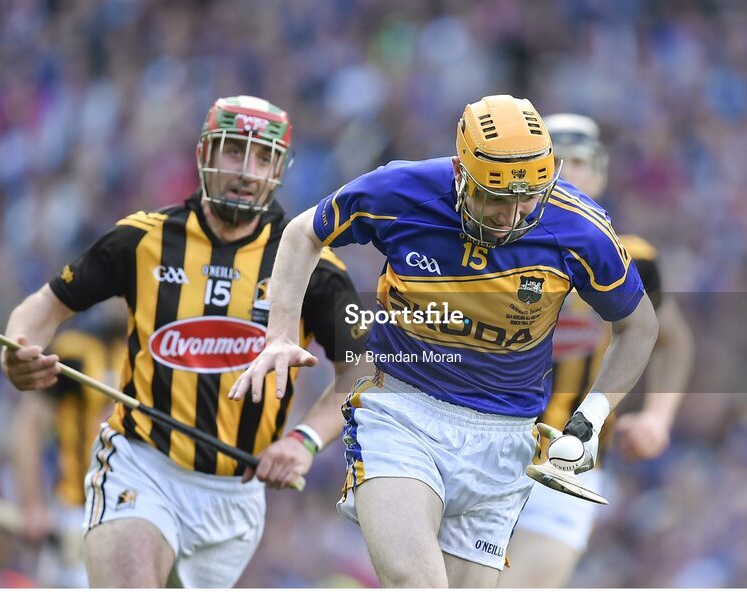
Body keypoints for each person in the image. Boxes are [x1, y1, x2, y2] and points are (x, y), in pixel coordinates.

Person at [229, 94, 660, 587]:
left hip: (507, 438)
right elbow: (305, 231)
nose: (512, 216)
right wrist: (279, 334)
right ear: (461, 172)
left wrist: (595, 413)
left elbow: (639, 326)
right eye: (496, 197)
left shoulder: (581, 227)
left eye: (528, 197)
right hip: (403, 414)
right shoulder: (402, 190)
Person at [0, 95, 370, 587]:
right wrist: (16, 349)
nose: (247, 170)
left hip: (233, 497)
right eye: (234, 151)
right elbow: (45, 306)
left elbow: (364, 369)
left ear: (280, 169)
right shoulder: (142, 239)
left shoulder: (314, 268)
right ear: (204, 156)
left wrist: (305, 440)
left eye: (263, 158)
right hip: (141, 463)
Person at [501, 113, 695, 587]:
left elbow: (674, 341)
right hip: (479, 445)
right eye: (556, 163)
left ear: (601, 171)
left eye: (582, 162)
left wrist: (658, 418)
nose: (571, 175)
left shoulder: (632, 257)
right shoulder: (485, 248)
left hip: (566, 459)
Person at [10, 315, 123, 587]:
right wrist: (33, 503)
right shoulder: (74, 347)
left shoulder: (159, 349)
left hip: (136, 514)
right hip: (76, 514)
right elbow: (28, 424)